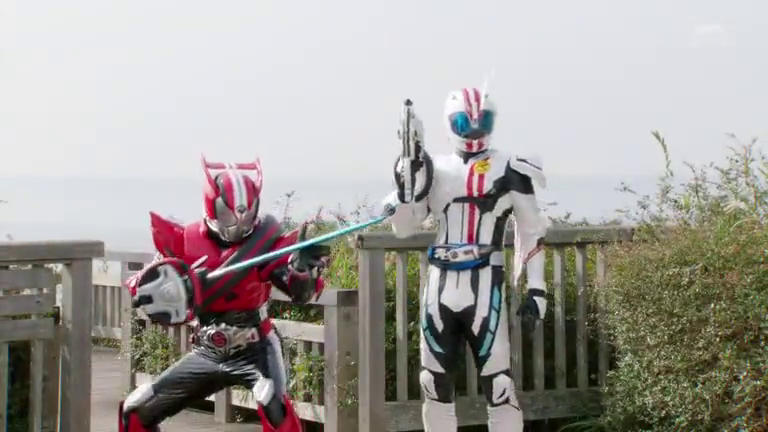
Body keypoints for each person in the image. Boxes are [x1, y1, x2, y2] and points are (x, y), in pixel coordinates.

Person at [119, 156, 330, 432]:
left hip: (255, 347)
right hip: (208, 350)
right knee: (136, 411)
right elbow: (151, 281)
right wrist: (152, 290)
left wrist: (302, 271)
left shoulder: (266, 242)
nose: (239, 223)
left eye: (247, 214)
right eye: (230, 214)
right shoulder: (186, 240)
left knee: (275, 407)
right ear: (212, 207)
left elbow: (297, 290)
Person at [382, 88, 548, 431]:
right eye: (464, 122)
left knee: (499, 385)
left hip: (486, 281)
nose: (473, 130)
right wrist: (404, 188)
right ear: (450, 123)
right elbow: (405, 227)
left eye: (481, 121)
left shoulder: (511, 167)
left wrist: (537, 288)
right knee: (433, 383)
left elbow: (532, 228)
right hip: (440, 285)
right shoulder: (432, 168)